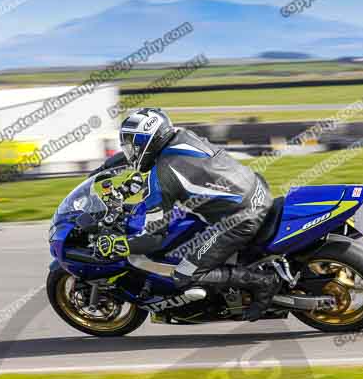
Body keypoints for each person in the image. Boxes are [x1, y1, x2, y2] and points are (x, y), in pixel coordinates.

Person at [97, 108, 281, 321]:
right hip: (256, 189)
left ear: (145, 142)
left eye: (132, 147)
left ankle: (264, 282)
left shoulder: (161, 178)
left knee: (185, 274)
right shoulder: (183, 137)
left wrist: (119, 245)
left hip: (240, 218)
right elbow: (174, 170)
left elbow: (154, 239)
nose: (131, 153)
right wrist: (113, 175)